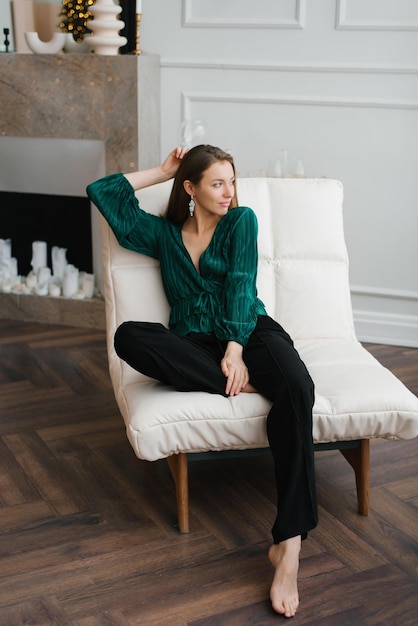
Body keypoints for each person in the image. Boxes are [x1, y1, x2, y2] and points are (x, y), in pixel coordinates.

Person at [87, 144, 318, 618]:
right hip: (194, 345)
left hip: (249, 332)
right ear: (190, 189)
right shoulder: (162, 235)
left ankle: (289, 545)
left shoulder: (241, 221)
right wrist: (165, 170)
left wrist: (236, 349)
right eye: (217, 183)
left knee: (297, 388)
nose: (229, 192)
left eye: (232, 181)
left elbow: (239, 282)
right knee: (130, 336)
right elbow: (102, 192)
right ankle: (244, 385)